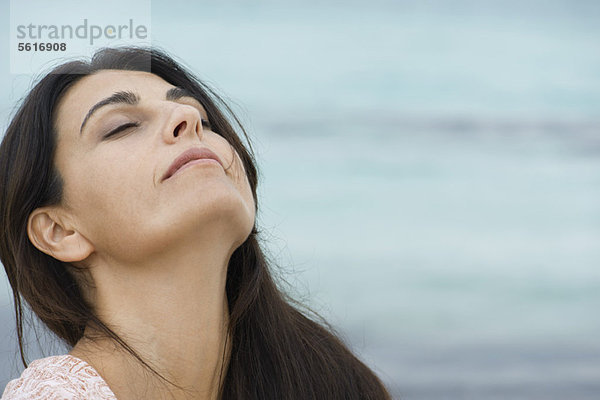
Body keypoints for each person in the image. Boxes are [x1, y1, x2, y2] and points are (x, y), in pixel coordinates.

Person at [0, 46, 392, 400]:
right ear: (60, 231)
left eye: (203, 118)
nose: (187, 117)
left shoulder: (332, 382)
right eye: (122, 126)